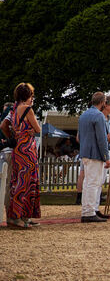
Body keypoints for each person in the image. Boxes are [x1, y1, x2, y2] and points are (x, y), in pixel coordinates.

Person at [2, 83, 42, 228]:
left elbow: (2, 126)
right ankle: (19, 217)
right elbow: (37, 128)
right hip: (28, 149)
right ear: (28, 96)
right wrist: (29, 130)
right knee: (27, 183)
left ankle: (18, 215)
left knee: (17, 181)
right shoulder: (27, 109)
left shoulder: (12, 110)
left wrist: (11, 137)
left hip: (17, 148)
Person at [77, 91, 110, 223]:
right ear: (102, 103)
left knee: (87, 183)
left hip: (85, 152)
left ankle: (87, 209)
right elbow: (102, 139)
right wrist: (106, 156)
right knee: (94, 183)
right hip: (95, 153)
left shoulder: (83, 115)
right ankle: (89, 212)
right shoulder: (99, 116)